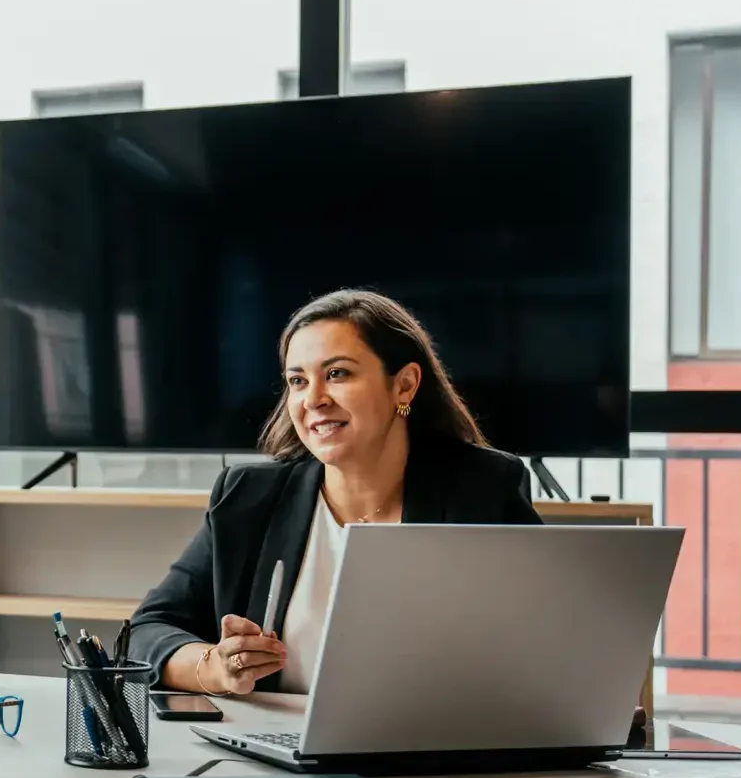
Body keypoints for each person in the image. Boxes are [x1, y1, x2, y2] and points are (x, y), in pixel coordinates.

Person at [129, 288, 540, 697]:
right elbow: (147, 631)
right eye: (297, 380)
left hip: (429, 750)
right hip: (275, 750)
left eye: (337, 374)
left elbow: (551, 636)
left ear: (405, 385)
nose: (314, 399)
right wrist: (214, 669)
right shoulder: (248, 497)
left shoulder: (482, 488)